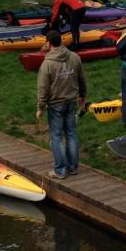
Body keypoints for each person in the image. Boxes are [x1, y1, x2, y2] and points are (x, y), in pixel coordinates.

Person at [36, 30, 87, 179]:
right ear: (61, 41)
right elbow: (82, 79)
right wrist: (82, 96)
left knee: (56, 137)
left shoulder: (47, 63)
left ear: (49, 43)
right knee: (71, 133)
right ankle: (73, 167)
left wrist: (40, 107)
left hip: (56, 104)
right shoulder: (74, 57)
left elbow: (43, 87)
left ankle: (60, 170)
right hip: (71, 101)